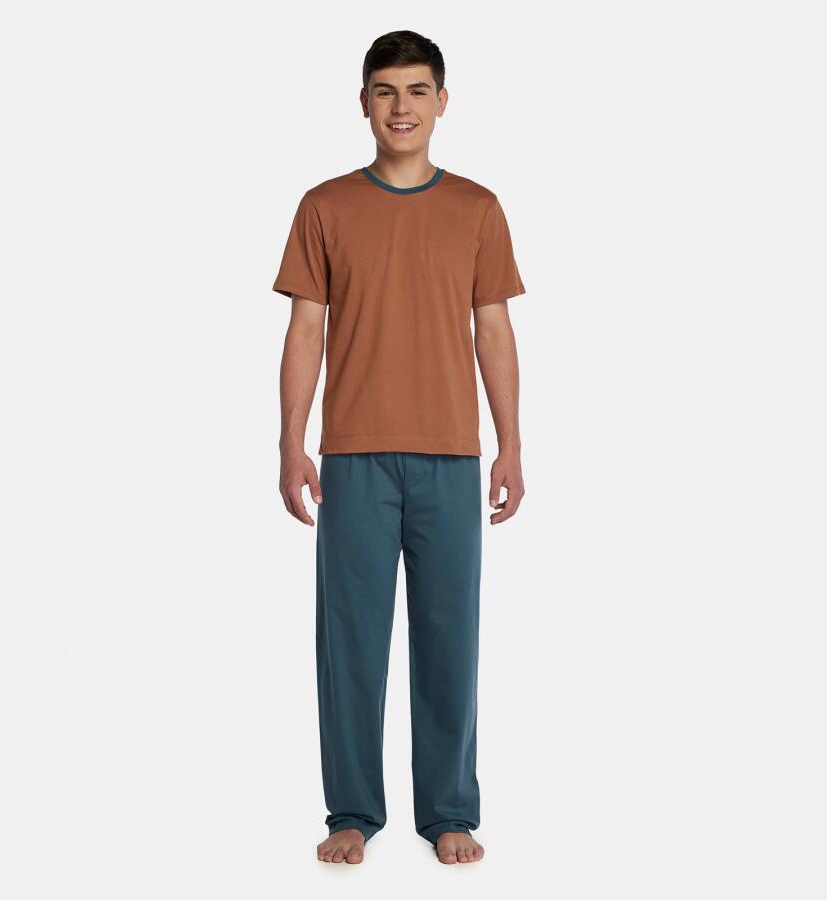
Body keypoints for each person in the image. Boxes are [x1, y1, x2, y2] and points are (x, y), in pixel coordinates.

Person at [272, 29, 526, 866]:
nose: (402, 107)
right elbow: (305, 329)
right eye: (386, 91)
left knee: (449, 638)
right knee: (350, 641)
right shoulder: (325, 207)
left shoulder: (478, 208)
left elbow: (494, 329)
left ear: (442, 102)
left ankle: (449, 812)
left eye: (417, 90)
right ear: (364, 103)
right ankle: (351, 811)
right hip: (353, 456)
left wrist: (510, 445)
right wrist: (291, 443)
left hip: (451, 454)